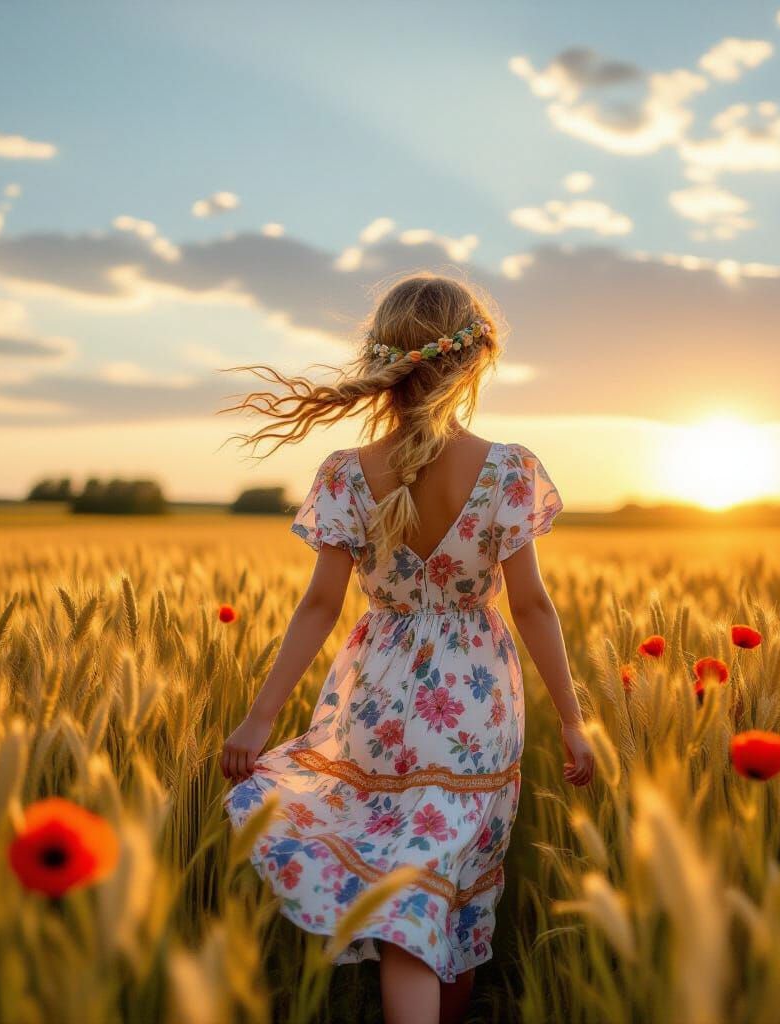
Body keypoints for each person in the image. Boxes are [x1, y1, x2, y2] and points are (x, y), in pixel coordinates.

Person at [220, 274, 594, 1024]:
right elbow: (532, 606)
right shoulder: (508, 469)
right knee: (444, 886)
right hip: (476, 708)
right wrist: (576, 721)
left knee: (411, 886)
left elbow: (320, 606)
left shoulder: (345, 473)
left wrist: (260, 720)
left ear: (379, 361)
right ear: (471, 365)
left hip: (380, 701)